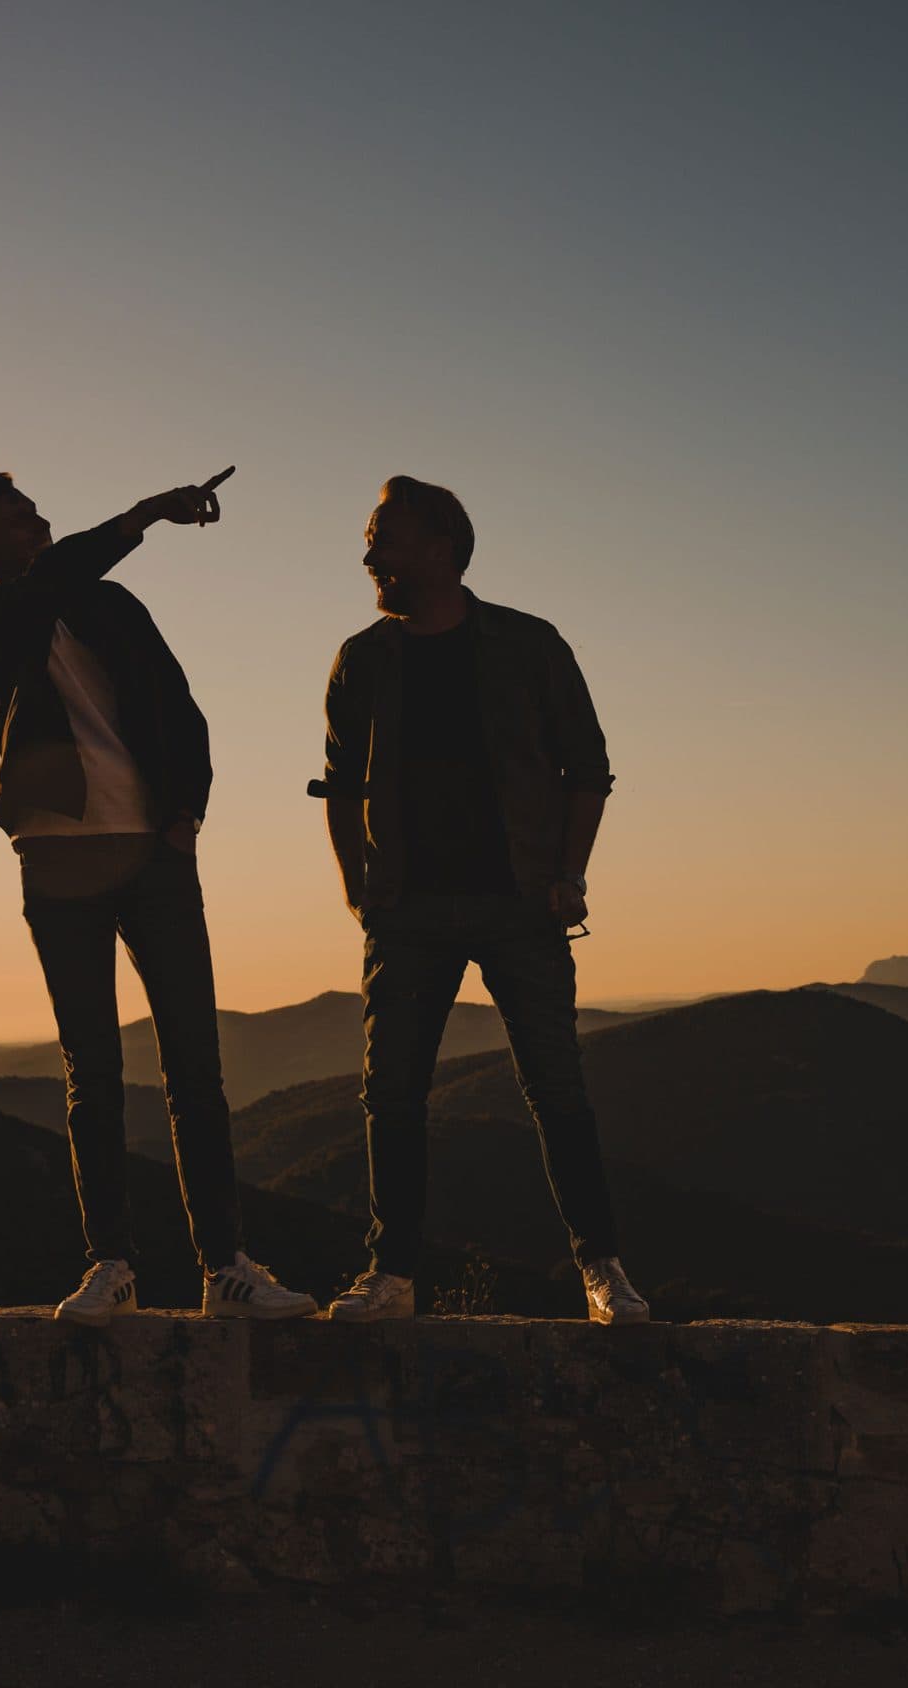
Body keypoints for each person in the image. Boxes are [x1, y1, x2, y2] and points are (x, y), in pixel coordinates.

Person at [0, 467, 315, 1326]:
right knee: (94, 1072)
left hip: (155, 854)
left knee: (196, 1067)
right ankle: (111, 1263)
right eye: (17, 517)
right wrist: (144, 514)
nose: (37, 519)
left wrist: (186, 812)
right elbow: (45, 592)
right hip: (57, 858)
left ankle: (226, 1267)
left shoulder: (114, 606)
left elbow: (182, 707)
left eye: (37, 507)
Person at [309, 476, 649, 1325]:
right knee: (392, 1093)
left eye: (383, 535)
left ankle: (602, 1271)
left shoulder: (527, 645)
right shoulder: (364, 659)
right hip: (407, 910)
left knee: (556, 1088)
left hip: (520, 903)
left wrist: (568, 875)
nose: (368, 553)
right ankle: (392, 1275)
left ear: (439, 546)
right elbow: (342, 787)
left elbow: (588, 771)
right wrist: (359, 890)